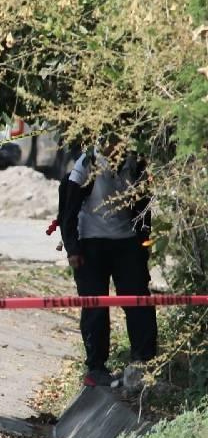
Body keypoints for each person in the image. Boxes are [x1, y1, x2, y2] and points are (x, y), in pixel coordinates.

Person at [60, 145, 157, 386]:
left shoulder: (135, 163)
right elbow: (68, 209)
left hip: (127, 242)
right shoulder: (88, 163)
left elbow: (144, 207)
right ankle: (96, 367)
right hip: (90, 243)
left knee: (138, 301)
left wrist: (143, 243)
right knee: (95, 306)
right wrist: (72, 249)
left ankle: (144, 361)